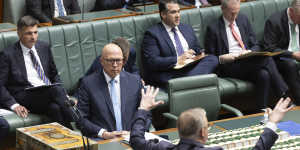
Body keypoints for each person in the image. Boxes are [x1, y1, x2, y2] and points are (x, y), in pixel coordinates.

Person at [129, 86, 294, 150]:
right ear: (203, 132)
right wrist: (272, 122)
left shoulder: (162, 148)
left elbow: (136, 139)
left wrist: (143, 108)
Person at [204, 0, 289, 109]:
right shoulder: (213, 28)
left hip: (247, 60)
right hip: (229, 65)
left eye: (236, 12)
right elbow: (210, 57)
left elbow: (256, 44)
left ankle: (260, 111)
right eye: (231, 13)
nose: (234, 16)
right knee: (266, 60)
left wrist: (250, 52)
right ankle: (284, 93)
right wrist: (221, 58)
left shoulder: (243, 19)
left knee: (264, 74)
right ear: (223, 9)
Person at [0, 16, 73, 128]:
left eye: (35, 32)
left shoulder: (44, 47)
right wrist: (14, 105)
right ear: (19, 33)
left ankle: (71, 140)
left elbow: (54, 75)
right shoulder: (8, 54)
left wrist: (63, 94)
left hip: (47, 94)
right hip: (25, 95)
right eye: (29, 33)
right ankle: (81, 123)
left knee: (55, 109)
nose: (33, 37)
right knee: (55, 90)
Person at [142, 0, 218, 88]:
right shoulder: (152, 34)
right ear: (163, 14)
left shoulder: (186, 28)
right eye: (173, 12)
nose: (178, 15)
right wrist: (178, 59)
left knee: (212, 59)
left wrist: (196, 52)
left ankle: (186, 82)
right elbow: (152, 62)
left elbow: (197, 48)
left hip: (190, 67)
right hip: (171, 72)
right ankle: (192, 81)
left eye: (178, 11)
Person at [76, 42, 144, 140]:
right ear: (101, 61)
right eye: (110, 60)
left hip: (132, 137)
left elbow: (145, 114)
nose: (115, 65)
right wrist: (103, 133)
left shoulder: (135, 81)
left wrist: (134, 132)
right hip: (103, 139)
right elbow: (81, 118)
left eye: (118, 60)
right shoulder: (88, 84)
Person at [263, 0, 300, 105]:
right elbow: (268, 48)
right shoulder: (274, 21)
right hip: (281, 59)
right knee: (291, 65)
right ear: (291, 11)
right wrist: (292, 54)